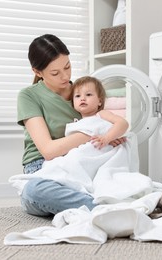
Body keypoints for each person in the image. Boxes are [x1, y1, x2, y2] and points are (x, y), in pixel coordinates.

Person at [16, 34, 125, 217]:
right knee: (34, 191)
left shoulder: (83, 93)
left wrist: (109, 137)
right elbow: (48, 151)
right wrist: (92, 133)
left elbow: (103, 123)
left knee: (117, 176)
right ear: (37, 72)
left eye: (67, 67)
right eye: (55, 73)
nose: (66, 76)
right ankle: (107, 209)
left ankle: (114, 202)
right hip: (43, 167)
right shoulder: (28, 96)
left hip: (83, 163)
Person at [70, 76, 129, 149]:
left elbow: (123, 123)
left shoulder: (101, 114)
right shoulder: (77, 123)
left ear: (100, 101)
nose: (82, 99)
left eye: (88, 94)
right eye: (78, 96)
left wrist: (107, 138)